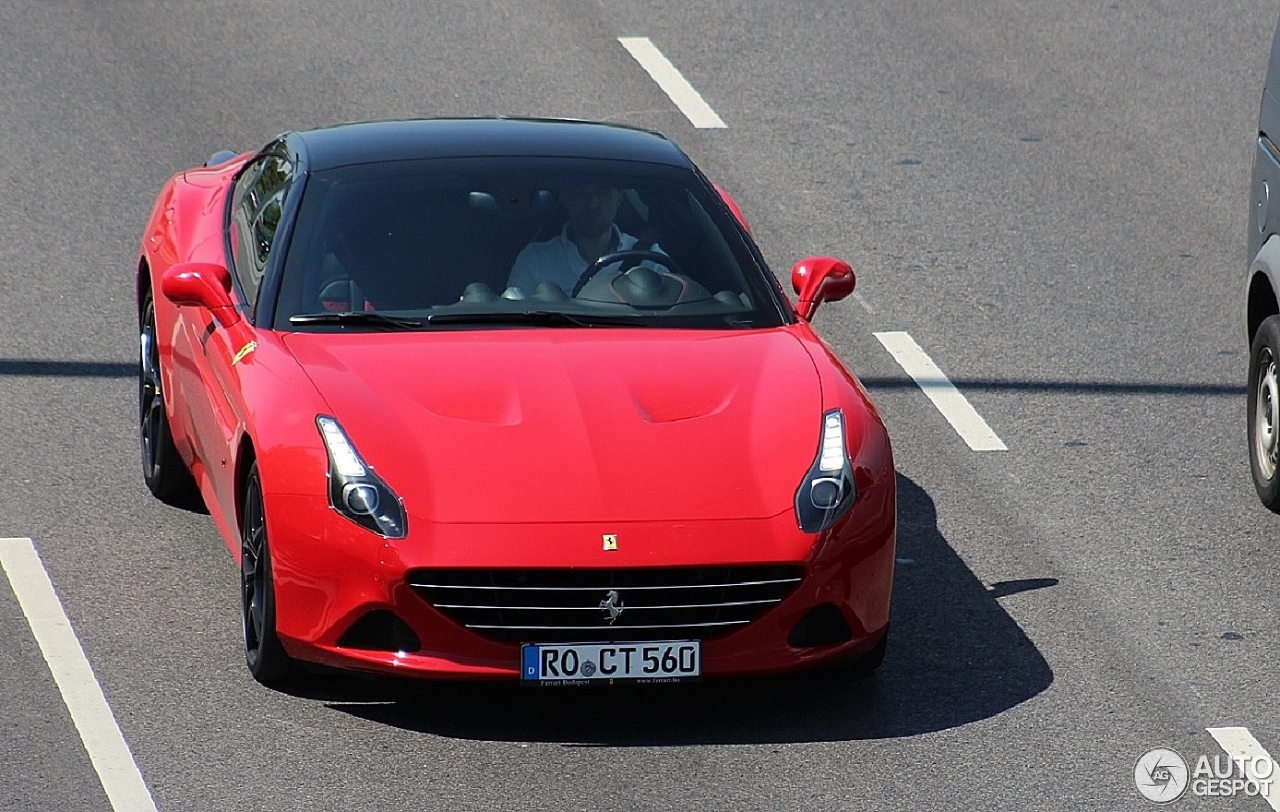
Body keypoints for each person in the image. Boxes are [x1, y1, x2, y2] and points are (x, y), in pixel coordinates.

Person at [506, 181, 662, 296]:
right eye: (580, 194)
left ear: (619, 199)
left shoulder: (650, 260)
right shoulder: (534, 261)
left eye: (602, 193)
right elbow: (513, 326)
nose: (592, 204)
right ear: (565, 200)